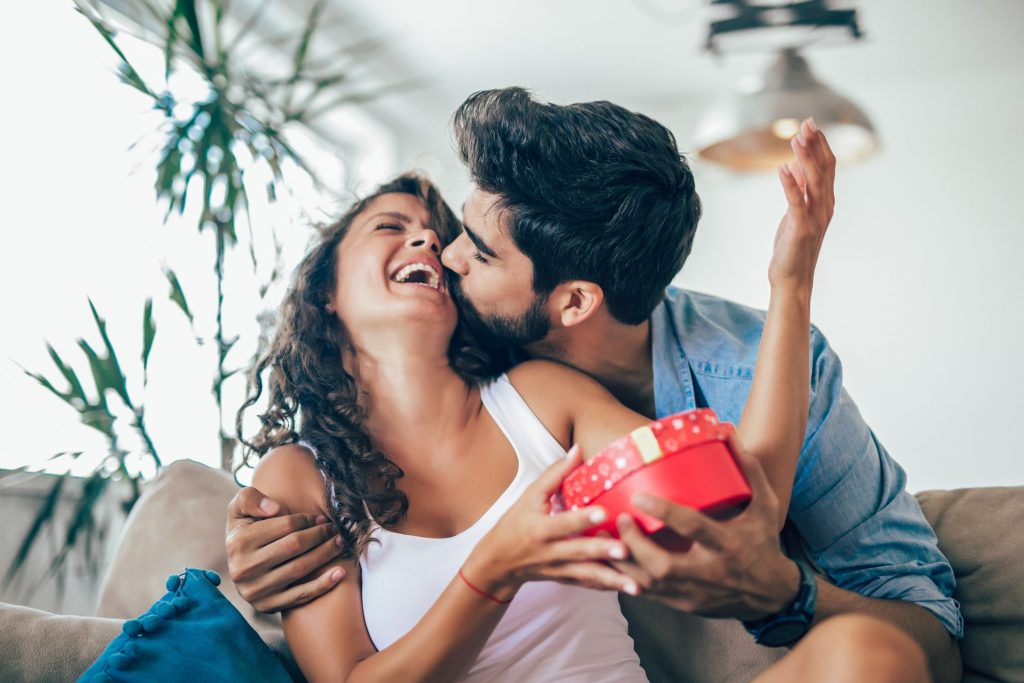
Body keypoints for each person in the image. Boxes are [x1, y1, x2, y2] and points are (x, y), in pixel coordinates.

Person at [228, 89, 959, 681]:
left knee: (873, 654)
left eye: (466, 246)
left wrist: (790, 285)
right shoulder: (301, 476)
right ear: (323, 290)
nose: (440, 248)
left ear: (572, 302)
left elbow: (747, 503)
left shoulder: (542, 394)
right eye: (395, 226)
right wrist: (245, 548)